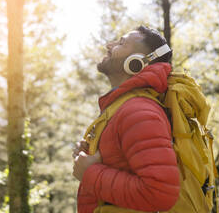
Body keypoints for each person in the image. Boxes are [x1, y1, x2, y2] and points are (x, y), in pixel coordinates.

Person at [72, 26, 181, 213]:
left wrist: (90, 173)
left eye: (121, 43)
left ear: (136, 63)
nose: (109, 45)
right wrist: (90, 154)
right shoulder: (123, 108)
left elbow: (160, 193)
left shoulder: (139, 112)